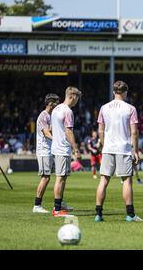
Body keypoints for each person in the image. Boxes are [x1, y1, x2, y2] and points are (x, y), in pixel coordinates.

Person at [94, 81, 143, 222]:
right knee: (127, 181)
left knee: (103, 180)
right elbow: (134, 132)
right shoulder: (130, 108)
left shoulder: (104, 108)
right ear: (125, 92)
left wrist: (104, 146)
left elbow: (101, 131)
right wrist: (135, 150)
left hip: (108, 148)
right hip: (123, 148)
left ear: (113, 91)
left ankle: (98, 214)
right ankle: (130, 214)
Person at [50, 87, 82, 217]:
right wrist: (76, 149)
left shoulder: (56, 109)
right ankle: (57, 209)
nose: (77, 101)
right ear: (73, 96)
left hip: (56, 147)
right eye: (77, 98)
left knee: (62, 177)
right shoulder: (68, 111)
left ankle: (60, 203)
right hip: (63, 148)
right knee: (60, 178)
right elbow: (69, 131)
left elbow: (52, 129)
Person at [33, 93, 60, 214]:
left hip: (50, 150)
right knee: (45, 177)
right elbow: (46, 133)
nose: (58, 105)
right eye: (56, 103)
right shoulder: (43, 116)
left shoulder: (51, 116)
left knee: (58, 176)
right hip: (44, 150)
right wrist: (58, 140)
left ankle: (59, 202)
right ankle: (37, 205)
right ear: (50, 103)